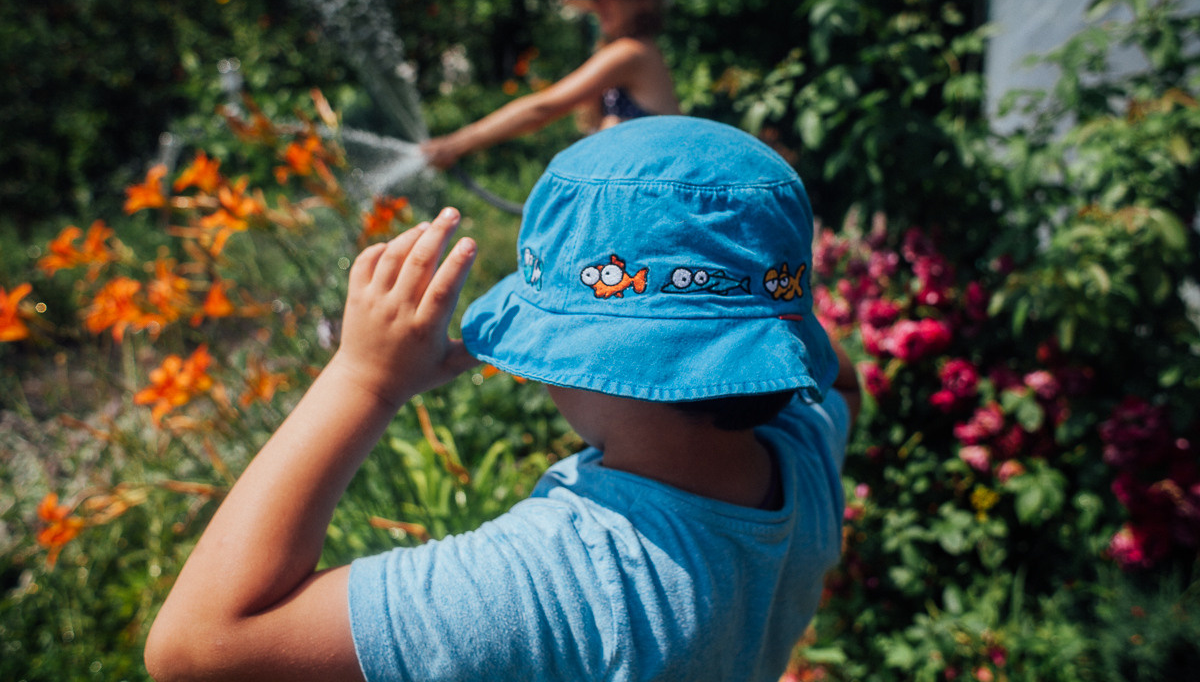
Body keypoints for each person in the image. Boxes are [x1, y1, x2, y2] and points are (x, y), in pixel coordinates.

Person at [144, 115, 861, 682]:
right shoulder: (804, 456)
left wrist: (363, 379)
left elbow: (197, 645)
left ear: (584, 356)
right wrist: (752, 310)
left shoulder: (566, 579)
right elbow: (841, 382)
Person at [420, 0, 681, 170]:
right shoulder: (635, 51)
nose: (599, 4)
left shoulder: (632, 53)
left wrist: (455, 145)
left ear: (644, 0)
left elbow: (542, 108)